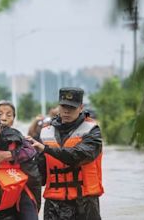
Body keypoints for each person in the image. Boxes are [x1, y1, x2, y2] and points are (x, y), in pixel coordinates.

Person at [27, 87, 104, 220]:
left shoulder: (92, 131)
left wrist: (46, 149)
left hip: (85, 203)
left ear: (81, 108)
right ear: (59, 106)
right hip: (54, 204)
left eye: (72, 107)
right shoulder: (45, 132)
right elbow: (40, 174)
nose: (67, 111)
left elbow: (78, 156)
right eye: (64, 106)